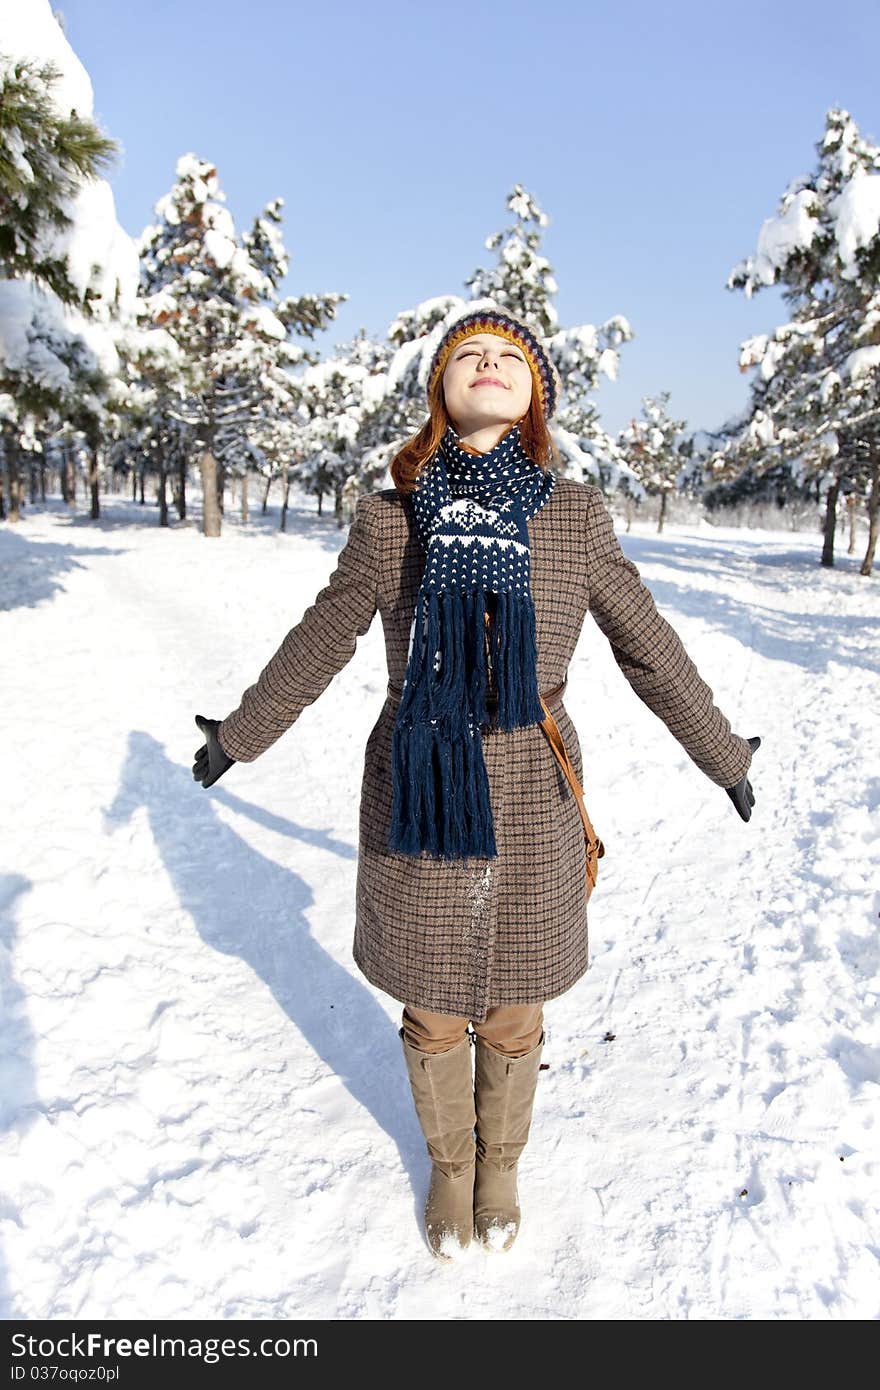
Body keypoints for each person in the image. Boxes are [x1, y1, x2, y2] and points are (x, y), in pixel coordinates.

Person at [193, 305, 759, 1263]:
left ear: (535, 390)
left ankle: (505, 1163)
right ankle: (452, 1166)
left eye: (510, 356)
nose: (491, 365)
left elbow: (647, 646)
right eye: (470, 356)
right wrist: (240, 737)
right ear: (440, 390)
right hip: (420, 791)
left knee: (515, 1005)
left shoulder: (572, 513)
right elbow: (323, 639)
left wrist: (723, 754)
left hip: (534, 790)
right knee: (434, 1003)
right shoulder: (390, 521)